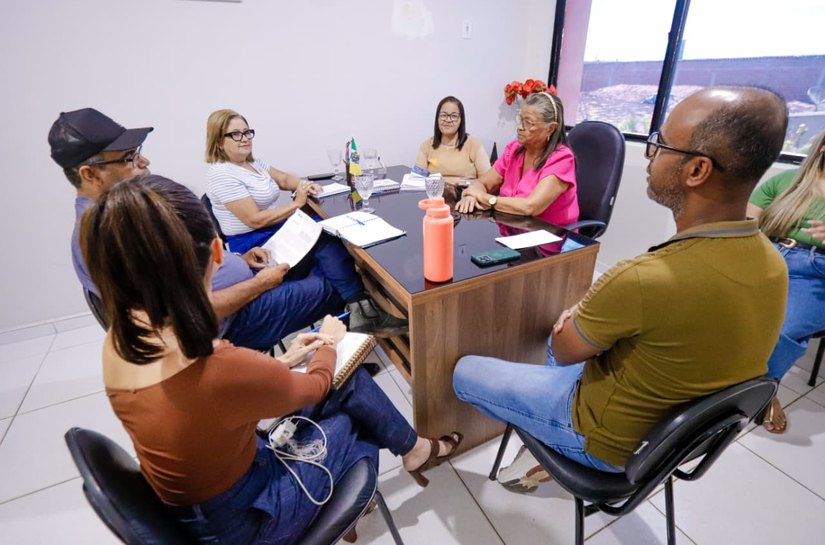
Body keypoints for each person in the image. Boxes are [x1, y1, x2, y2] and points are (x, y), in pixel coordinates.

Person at [81, 174, 462, 544]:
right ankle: (413, 452)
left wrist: (288, 360)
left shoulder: (122, 340)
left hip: (199, 513)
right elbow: (314, 386)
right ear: (217, 250)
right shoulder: (216, 366)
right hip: (252, 523)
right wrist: (329, 342)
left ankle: (414, 450)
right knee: (354, 407)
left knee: (350, 387)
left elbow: (211, 406)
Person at [453, 86, 789, 493]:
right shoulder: (774, 264)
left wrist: (579, 315)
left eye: (660, 143)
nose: (650, 154)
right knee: (569, 342)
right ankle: (541, 428)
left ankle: (547, 435)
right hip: (676, 443)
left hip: (604, 444)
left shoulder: (642, 277)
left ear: (697, 170)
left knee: (465, 369)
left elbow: (563, 348)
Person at [48, 108, 346, 349]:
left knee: (329, 257)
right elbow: (183, 318)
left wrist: (239, 263)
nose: (144, 162)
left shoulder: (126, 215)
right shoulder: (113, 236)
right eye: (129, 159)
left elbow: (186, 274)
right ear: (89, 174)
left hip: (240, 291)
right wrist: (260, 284)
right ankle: (336, 355)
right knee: (339, 280)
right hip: (233, 320)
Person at [204, 109, 407, 337]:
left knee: (327, 232)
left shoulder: (252, 164)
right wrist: (297, 204)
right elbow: (254, 219)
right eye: (236, 134)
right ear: (219, 141)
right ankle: (363, 307)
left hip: (275, 231)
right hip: (257, 245)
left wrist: (303, 184)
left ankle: (359, 313)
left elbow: (282, 179)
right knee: (325, 234)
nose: (245, 139)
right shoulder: (221, 174)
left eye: (247, 132)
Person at [747, 128, 825, 433]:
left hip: (818, 271)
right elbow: (747, 224)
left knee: (785, 328)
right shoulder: (786, 181)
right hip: (767, 255)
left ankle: (765, 390)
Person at [455, 92, 579, 227]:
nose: (520, 127)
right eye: (520, 120)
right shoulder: (514, 149)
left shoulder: (562, 159)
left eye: (528, 123)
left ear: (550, 128)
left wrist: (486, 199)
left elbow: (530, 207)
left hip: (549, 237)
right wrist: (470, 196)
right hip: (512, 228)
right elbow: (483, 183)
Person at [414, 96, 491, 184]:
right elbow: (417, 180)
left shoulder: (473, 144)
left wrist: (462, 184)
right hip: (434, 194)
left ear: (461, 120)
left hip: (466, 193)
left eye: (454, 116)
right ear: (437, 119)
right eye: (443, 115)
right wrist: (447, 181)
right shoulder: (426, 145)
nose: (448, 120)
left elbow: (487, 180)